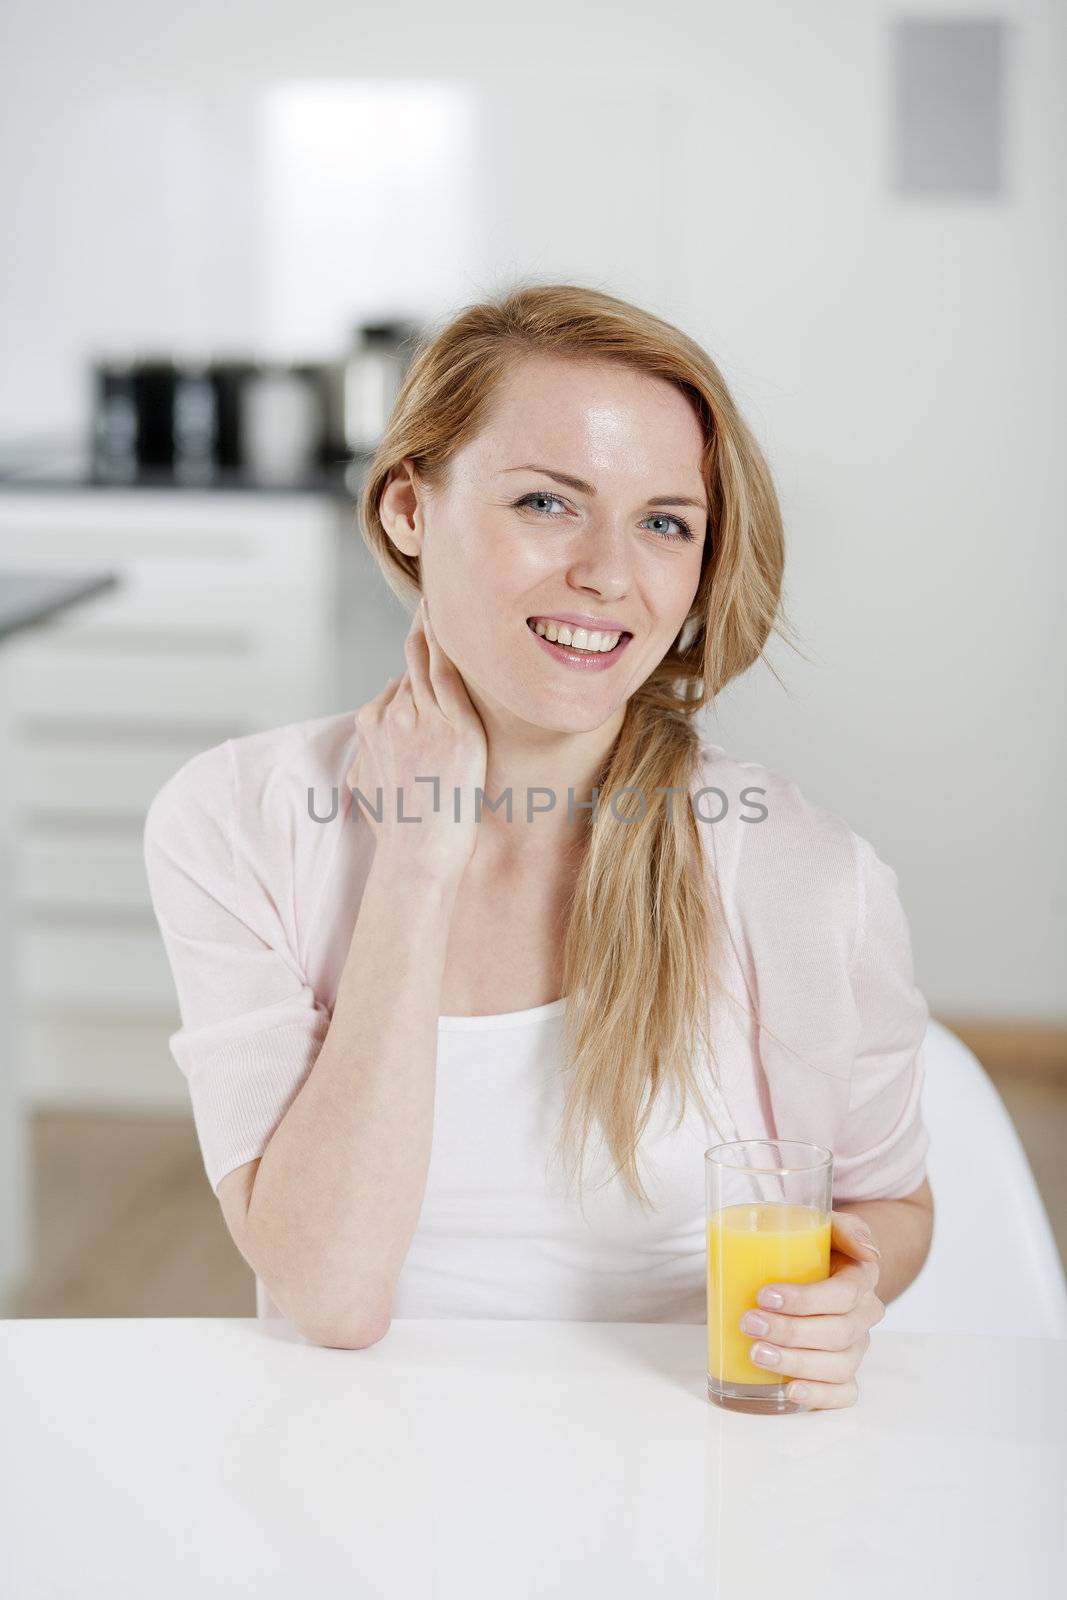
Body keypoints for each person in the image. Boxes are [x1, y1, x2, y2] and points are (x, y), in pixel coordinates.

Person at [143, 283, 934, 1410]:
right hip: (354, 1474)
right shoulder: (235, 820)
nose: (609, 573)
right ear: (409, 510)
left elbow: (889, 1207)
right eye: (547, 504)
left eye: (665, 521)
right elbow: (330, 1293)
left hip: (694, 1473)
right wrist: (416, 863)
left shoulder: (800, 872)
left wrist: (847, 1287)